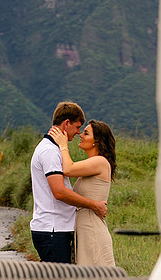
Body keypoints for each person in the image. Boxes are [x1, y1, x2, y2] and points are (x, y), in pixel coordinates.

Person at [29, 101, 108, 263]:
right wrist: (94, 205)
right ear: (66, 124)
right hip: (53, 229)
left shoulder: (53, 149)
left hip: (57, 229)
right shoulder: (50, 151)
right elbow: (59, 192)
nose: (78, 132)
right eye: (78, 127)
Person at [49, 119, 116, 267]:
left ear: (96, 141)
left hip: (92, 231)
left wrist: (63, 145)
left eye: (86, 133)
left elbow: (68, 169)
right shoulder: (91, 164)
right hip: (85, 230)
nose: (81, 135)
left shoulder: (100, 162)